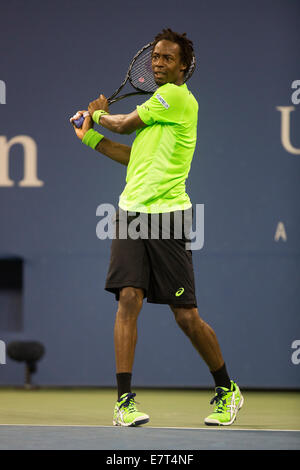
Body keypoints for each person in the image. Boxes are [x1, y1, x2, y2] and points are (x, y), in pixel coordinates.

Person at [70, 28, 244, 427]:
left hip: (169, 218)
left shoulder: (176, 99)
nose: (158, 64)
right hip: (130, 213)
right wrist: (88, 137)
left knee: (186, 316)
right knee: (128, 299)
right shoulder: (157, 108)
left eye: (167, 59)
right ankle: (124, 402)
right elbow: (131, 156)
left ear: (185, 66)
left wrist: (97, 113)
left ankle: (225, 389)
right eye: (155, 57)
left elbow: (124, 124)